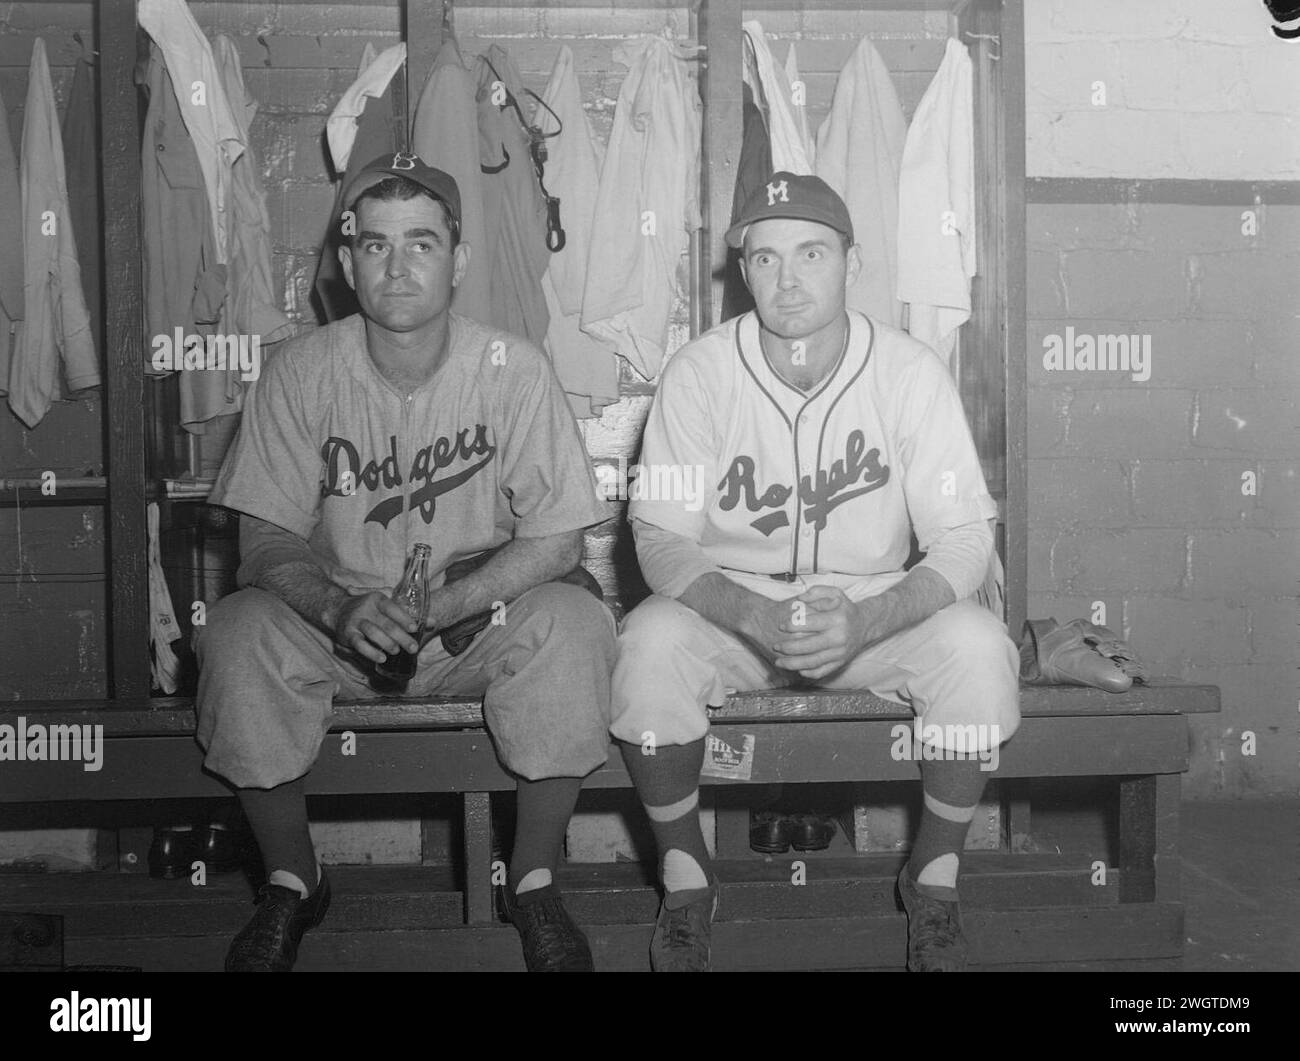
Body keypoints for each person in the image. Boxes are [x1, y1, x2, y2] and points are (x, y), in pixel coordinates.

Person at [195, 152, 615, 972]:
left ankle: (529, 879)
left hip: (472, 629)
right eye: (376, 245)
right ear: (348, 263)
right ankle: (293, 875)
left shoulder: (513, 368)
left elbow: (559, 538)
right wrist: (336, 610)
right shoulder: (298, 370)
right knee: (238, 632)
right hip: (339, 628)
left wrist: (458, 602)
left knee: (573, 622)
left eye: (421, 244)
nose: (397, 265)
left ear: (457, 261)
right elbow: (264, 542)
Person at [611, 172, 1020, 972]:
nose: (787, 278)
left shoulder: (909, 371)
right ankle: (689, 881)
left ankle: (932, 881)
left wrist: (874, 618)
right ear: (744, 271)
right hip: (733, 607)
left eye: (810, 253)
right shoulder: (698, 372)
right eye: (765, 259)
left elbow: (965, 539)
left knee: (977, 645)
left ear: (852, 262)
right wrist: (749, 614)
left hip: (870, 605)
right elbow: (659, 540)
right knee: (648, 643)